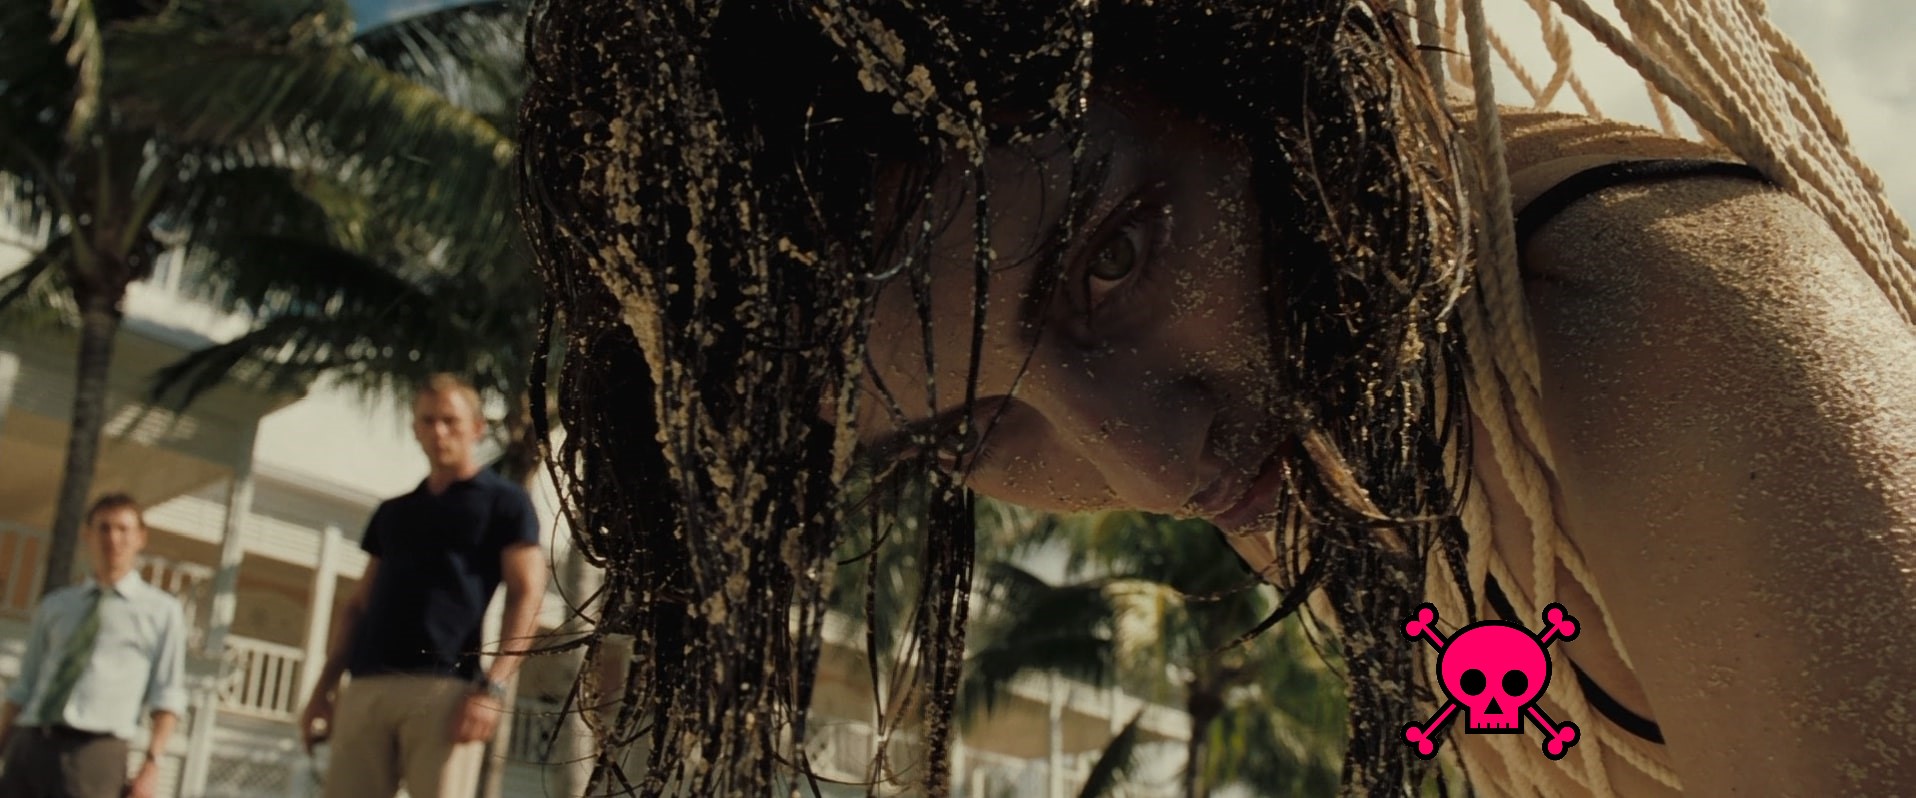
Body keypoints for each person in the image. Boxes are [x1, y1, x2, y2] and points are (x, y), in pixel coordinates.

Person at [516, 1, 1916, 795]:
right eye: (966, 430)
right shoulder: (1360, 433)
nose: (1149, 459)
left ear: (1242, 63)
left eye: (1117, 257)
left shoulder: (1661, 351)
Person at [297, 374, 547, 798]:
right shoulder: (393, 513)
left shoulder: (504, 503)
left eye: (450, 420)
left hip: (445, 687)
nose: (439, 431)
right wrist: (324, 688)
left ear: (477, 427)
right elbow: (359, 606)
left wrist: (495, 686)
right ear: (415, 429)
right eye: (428, 421)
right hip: (367, 685)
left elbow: (528, 595)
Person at [0, 494, 188, 798]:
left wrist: (152, 766)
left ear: (141, 537)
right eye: (103, 528)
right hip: (30, 745)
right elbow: (24, 685)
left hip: (96, 753)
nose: (112, 538)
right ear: (86, 535)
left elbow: (167, 696)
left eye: (122, 529)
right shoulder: (56, 605)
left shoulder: (162, 611)